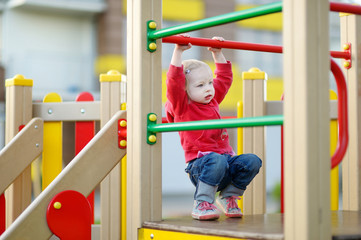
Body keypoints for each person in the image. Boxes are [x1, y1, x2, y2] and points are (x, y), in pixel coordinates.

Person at [165, 34, 262, 221]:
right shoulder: (183, 106)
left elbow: (224, 78)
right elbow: (173, 83)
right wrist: (178, 51)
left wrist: (218, 53)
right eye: (200, 85)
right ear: (185, 91)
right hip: (200, 167)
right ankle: (202, 202)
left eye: (209, 82)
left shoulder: (213, 99)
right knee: (215, 159)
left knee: (252, 161)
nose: (208, 88)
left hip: (225, 163)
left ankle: (229, 196)